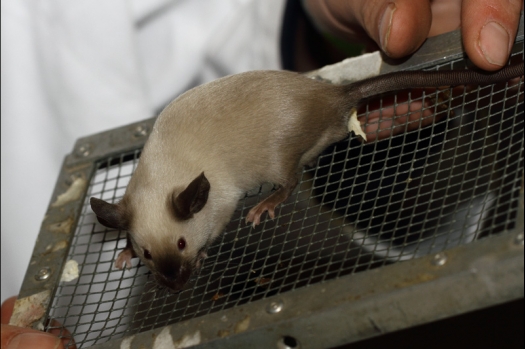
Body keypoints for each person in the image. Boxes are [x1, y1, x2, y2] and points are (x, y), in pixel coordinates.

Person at [2, 0, 522, 347]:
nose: (174, 268)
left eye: (179, 251)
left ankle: (287, 183)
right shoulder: (148, 208)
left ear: (194, 202)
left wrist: (317, 25)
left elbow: (234, 34)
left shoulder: (202, 199)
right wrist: (143, 246)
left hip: (287, 110)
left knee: (280, 165)